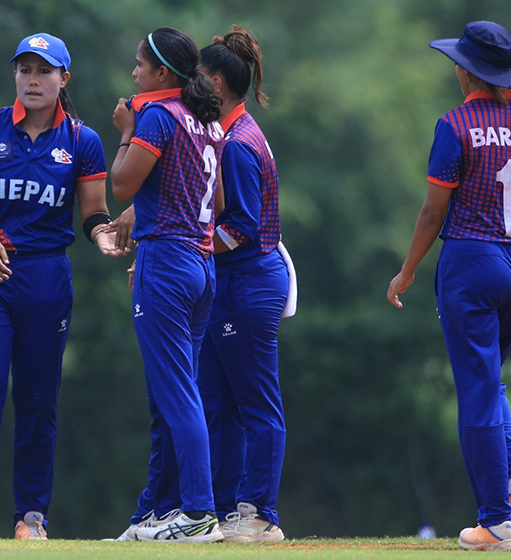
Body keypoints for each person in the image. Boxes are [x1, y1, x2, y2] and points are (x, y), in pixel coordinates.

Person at [387, 20, 511, 552]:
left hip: (472, 262)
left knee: (474, 390)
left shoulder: (455, 124)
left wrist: (407, 271)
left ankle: (496, 522)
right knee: (488, 377)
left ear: (466, 71)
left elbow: (432, 212)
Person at [0, 32, 122, 541]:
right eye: (24, 70)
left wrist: (105, 235)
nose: (32, 79)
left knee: (38, 400)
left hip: (47, 278)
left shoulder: (82, 141)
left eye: (44, 71)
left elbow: (93, 211)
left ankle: (31, 518)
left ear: (63, 79)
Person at [109, 27, 227, 543]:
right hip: (203, 265)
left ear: (162, 73)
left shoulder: (155, 116)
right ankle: (155, 513)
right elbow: (217, 204)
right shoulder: (206, 120)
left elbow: (119, 184)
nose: (134, 72)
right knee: (174, 394)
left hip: (168, 261)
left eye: (140, 65)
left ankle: (199, 512)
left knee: (178, 394)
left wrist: (124, 132)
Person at [197, 26, 291, 543]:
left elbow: (242, 227)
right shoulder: (232, 129)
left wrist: (186, 248)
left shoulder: (236, 143)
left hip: (249, 280)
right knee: (220, 403)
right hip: (233, 280)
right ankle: (228, 509)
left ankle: (261, 515)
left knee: (256, 403)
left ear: (215, 82)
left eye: (195, 78)